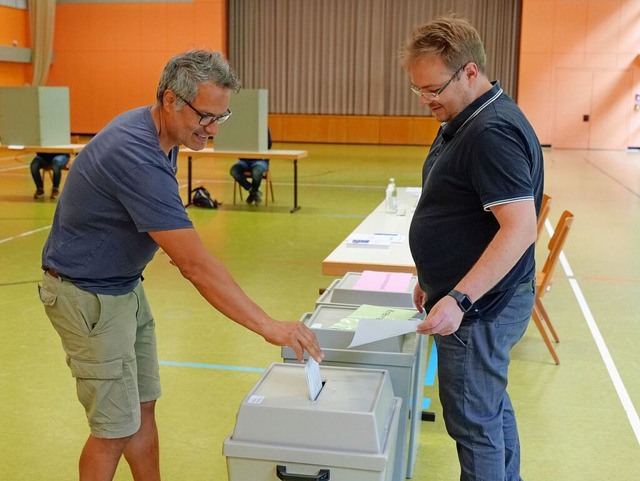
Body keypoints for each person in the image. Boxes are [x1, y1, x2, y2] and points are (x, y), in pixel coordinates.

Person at [37, 50, 323, 481]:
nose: (211, 130)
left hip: (123, 288)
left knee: (142, 405)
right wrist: (269, 325)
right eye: (206, 117)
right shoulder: (135, 153)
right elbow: (194, 264)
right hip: (88, 299)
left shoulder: (162, 135)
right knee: (113, 429)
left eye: (220, 118)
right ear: (171, 99)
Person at [400, 16, 543, 481]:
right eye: (418, 89)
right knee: (489, 407)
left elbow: (520, 228)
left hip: (480, 310)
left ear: (469, 72)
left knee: (473, 425)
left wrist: (459, 297)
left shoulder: (490, 132)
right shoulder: (468, 117)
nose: (426, 101)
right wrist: (432, 280)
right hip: (475, 299)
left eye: (433, 88)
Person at [229, 128, 272, 205]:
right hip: (244, 159)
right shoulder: (243, 127)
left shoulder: (263, 127)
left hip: (260, 159)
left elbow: (268, 145)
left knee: (257, 171)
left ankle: (253, 193)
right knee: (234, 170)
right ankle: (253, 191)